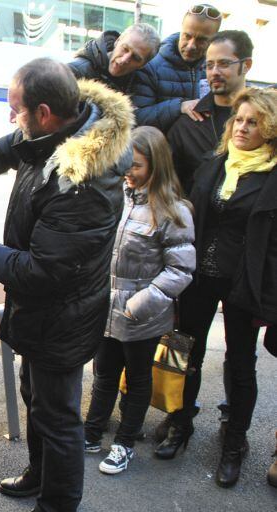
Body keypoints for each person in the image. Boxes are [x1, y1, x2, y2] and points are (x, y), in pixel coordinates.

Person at [0, 58, 133, 511]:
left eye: (17, 110)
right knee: (36, 397)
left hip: (62, 316)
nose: (12, 119)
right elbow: (7, 149)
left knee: (58, 417)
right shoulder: (55, 134)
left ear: (45, 112)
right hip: (42, 313)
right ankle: (39, 474)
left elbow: (44, 272)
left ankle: (57, 503)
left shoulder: (81, 180)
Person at [155, 88, 277, 489]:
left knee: (241, 363)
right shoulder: (215, 164)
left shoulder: (273, 175)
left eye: (253, 122)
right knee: (184, 349)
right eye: (239, 120)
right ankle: (180, 420)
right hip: (198, 277)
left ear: (270, 128)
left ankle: (234, 442)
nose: (242, 127)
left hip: (245, 283)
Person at [83, 126, 195, 475]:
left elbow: (180, 270)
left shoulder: (174, 211)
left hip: (142, 313)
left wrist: (143, 303)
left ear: (156, 166)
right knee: (104, 373)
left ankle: (125, 443)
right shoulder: (116, 196)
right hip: (107, 306)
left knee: (137, 378)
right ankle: (91, 431)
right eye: (125, 163)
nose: (129, 171)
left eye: (138, 165)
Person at [167, 30, 253, 193]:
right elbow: (169, 189)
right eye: (209, 65)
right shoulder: (187, 126)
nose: (214, 72)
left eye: (223, 63)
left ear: (246, 65)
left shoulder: (266, 120)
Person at [133, 4, 222, 132]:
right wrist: (179, 107)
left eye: (201, 40)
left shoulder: (216, 71)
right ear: (181, 29)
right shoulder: (151, 65)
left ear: (213, 40)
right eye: (187, 36)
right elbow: (137, 118)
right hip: (158, 148)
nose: (191, 46)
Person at [68, 23, 160, 99]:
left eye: (135, 58)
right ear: (117, 41)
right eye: (125, 49)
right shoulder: (75, 71)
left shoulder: (141, 85)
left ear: (142, 65)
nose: (124, 59)